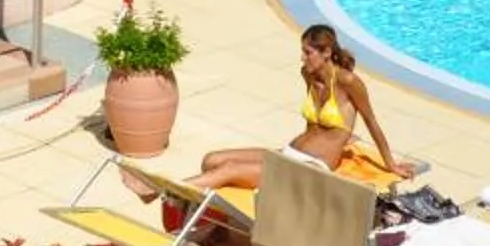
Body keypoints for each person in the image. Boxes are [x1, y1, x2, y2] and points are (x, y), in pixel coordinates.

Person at [176, 25, 411, 192]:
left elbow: (371, 121)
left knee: (229, 170)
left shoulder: (348, 82)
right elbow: (315, 126)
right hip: (289, 153)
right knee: (212, 160)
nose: (302, 58)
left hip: (310, 169)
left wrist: (390, 164)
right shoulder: (308, 75)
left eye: (308, 53)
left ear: (327, 52)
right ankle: (210, 225)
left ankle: (167, 190)